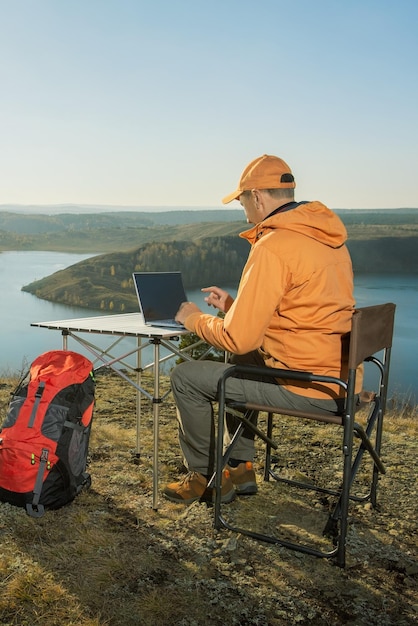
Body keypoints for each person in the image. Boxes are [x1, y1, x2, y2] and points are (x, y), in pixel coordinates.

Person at [163, 154, 360, 505]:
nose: (244, 211)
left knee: (187, 378)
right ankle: (240, 467)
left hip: (309, 386)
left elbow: (237, 335)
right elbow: (304, 310)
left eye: (241, 202)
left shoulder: (274, 245)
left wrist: (190, 317)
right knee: (243, 356)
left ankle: (206, 478)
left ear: (256, 197)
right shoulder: (327, 238)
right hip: (342, 379)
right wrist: (233, 308)